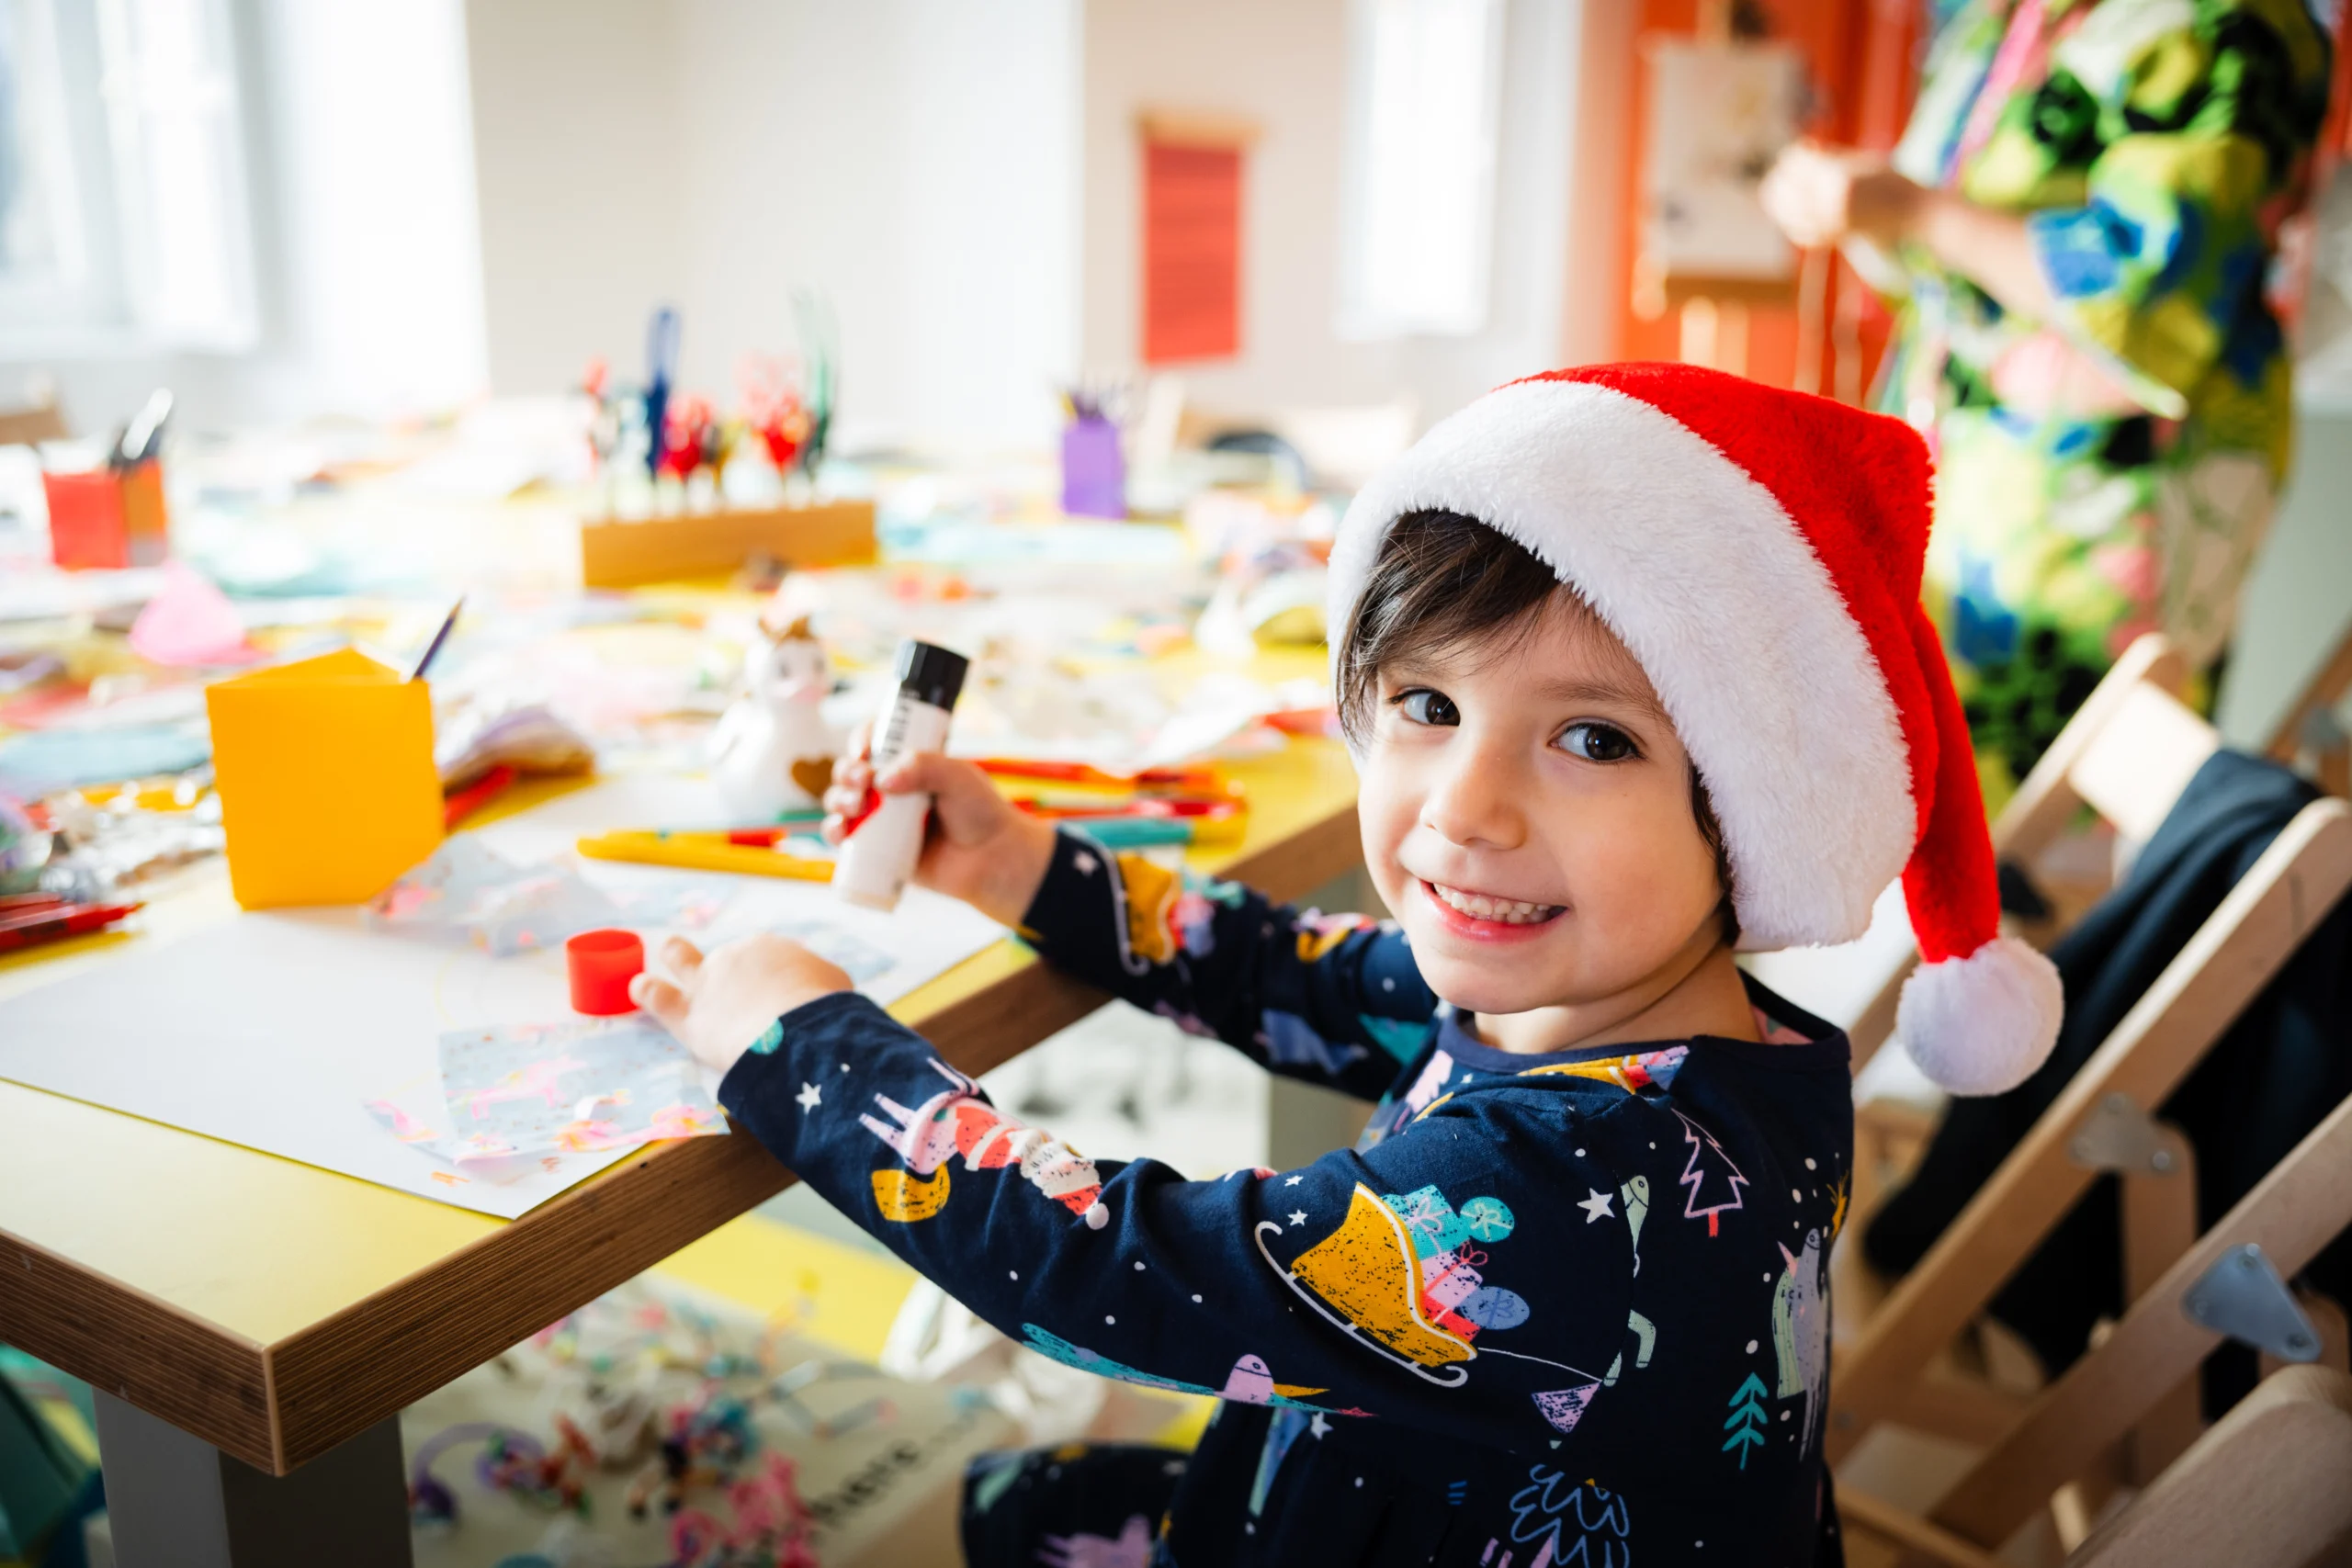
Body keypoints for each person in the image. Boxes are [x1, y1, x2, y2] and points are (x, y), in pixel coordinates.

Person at [631, 365, 2063, 1567]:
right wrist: (1021, 865)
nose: (1461, 807)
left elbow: (1109, 1269)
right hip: (1367, 1486)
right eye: (1429, 703)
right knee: (1002, 1504)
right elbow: (1290, 970)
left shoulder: (1577, 1179)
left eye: (1593, 738)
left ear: (1750, 810)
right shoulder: (1650, 1013)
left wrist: (804, 1038)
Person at [1760, 0, 2332, 793]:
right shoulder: (2008, 19)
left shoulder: (2227, 23)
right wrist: (1859, 209)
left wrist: (1912, 209)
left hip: (2108, 493)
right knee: (1920, 776)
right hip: (1958, 471)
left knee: (2050, 816)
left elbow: (2153, 293)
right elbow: (1947, 269)